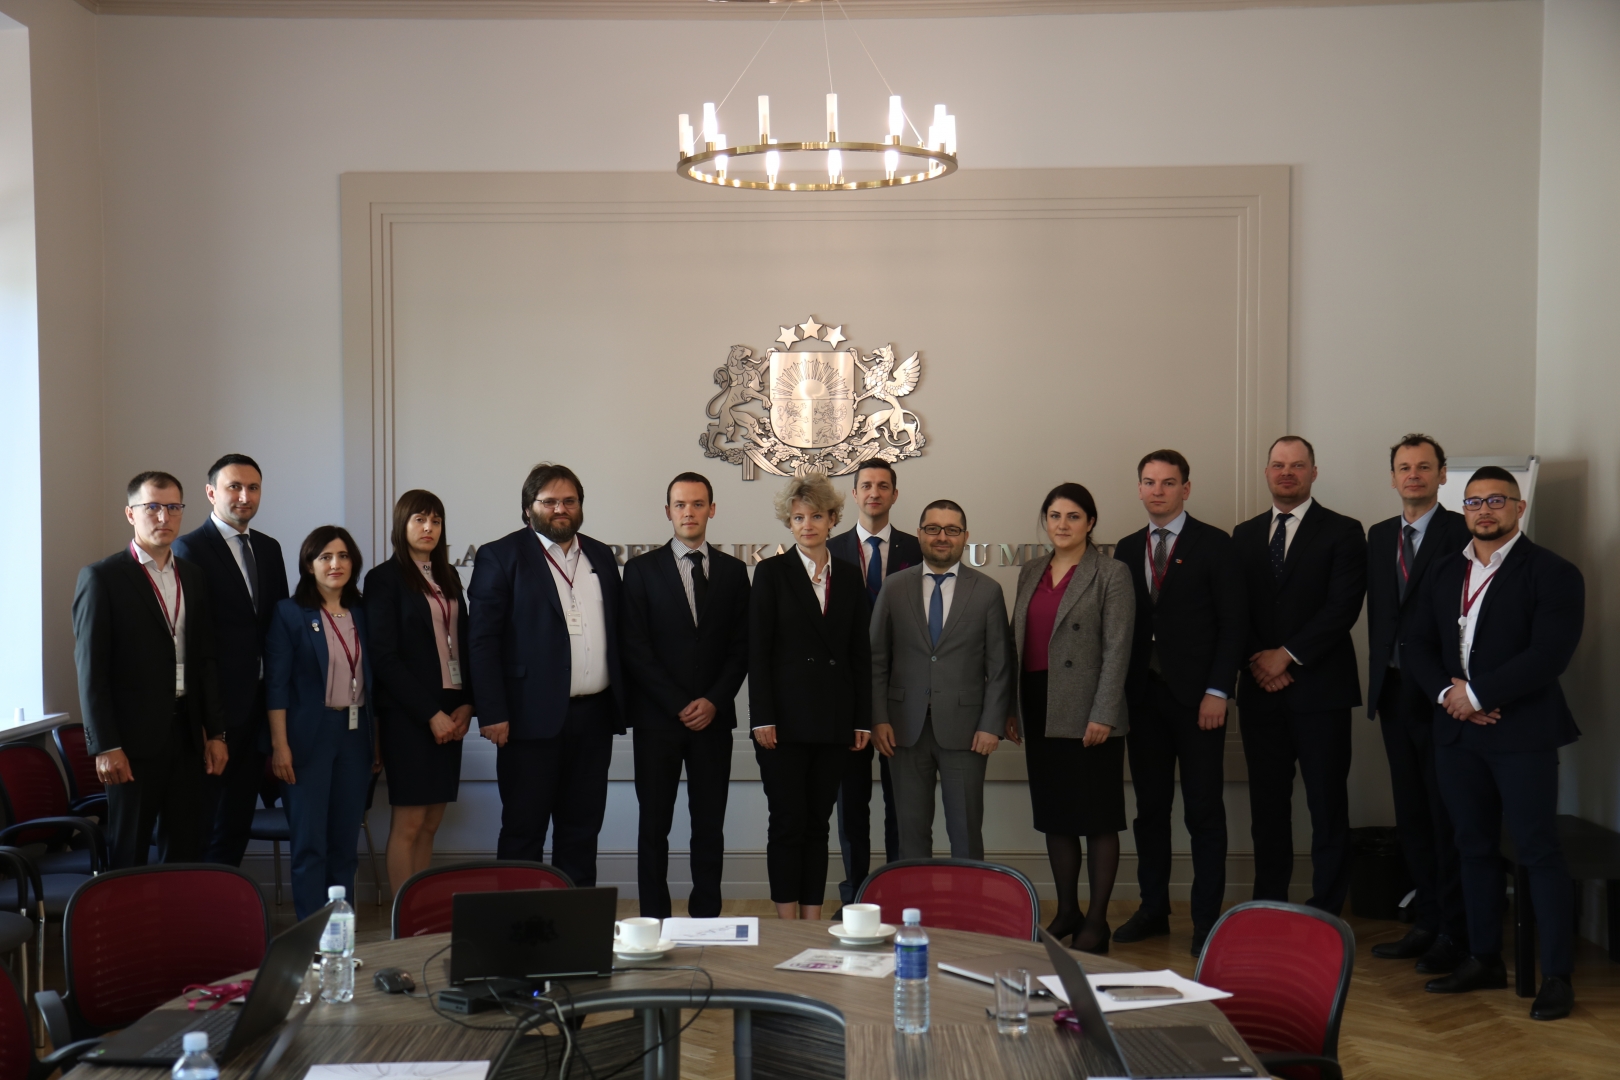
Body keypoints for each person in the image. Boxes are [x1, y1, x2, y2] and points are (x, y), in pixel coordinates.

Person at [1404, 467, 1583, 1021]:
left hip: (1522, 734)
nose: (1485, 510)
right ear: (1463, 510)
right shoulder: (1443, 570)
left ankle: (1557, 976)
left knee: (1537, 849)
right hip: (1457, 733)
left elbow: (1549, 654)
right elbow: (1415, 644)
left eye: (1496, 500)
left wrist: (1478, 694)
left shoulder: (1553, 572)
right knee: (1472, 846)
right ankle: (1484, 958)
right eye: (1474, 501)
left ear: (1519, 507)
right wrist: (1449, 696)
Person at [1111, 451, 1245, 957]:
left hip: (1199, 702)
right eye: (1149, 482)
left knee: (1204, 811)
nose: (1158, 491)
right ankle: (1153, 909)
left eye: (1168, 483)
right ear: (1139, 488)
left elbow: (1234, 623)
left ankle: (1207, 920)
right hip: (1143, 700)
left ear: (1186, 489)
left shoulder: (1216, 544)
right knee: (1150, 811)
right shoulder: (1127, 548)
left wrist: (1219, 691)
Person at [469, 463, 626, 887]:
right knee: (524, 831)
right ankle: (518, 925)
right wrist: (492, 712)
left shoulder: (599, 555)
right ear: (528, 508)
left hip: (593, 719)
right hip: (526, 720)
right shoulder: (501, 555)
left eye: (569, 501)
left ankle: (575, 922)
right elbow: (482, 641)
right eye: (550, 501)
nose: (560, 509)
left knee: (582, 832)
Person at [1232, 436, 1367, 914]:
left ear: (1313, 472)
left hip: (1321, 692)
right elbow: (1234, 608)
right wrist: (1259, 660)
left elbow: (1342, 607)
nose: (1286, 472)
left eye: (1297, 465)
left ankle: (1326, 909)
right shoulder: (1244, 534)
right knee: (1268, 809)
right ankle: (1269, 904)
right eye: (1278, 464)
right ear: (1267, 472)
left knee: (1327, 807)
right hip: (1261, 693)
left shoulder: (1344, 531)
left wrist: (1286, 656)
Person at [72, 471, 228, 868]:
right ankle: (128, 913)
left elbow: (205, 660)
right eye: (153, 507)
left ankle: (176, 911)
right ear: (131, 514)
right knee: (130, 850)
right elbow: (91, 671)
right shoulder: (102, 577)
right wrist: (106, 745)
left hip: (187, 733)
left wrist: (216, 732)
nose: (164, 517)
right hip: (131, 742)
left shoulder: (192, 576)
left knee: (185, 847)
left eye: (173, 507)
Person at [1006, 483, 1133, 953]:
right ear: (1045, 521)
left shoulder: (1111, 572)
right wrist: (1011, 708)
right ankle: (1067, 911)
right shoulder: (1031, 570)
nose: (1063, 525)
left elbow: (1118, 648)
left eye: (1074, 516)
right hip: (1039, 703)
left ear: (1091, 522)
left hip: (1089, 710)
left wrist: (1103, 713)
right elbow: (1016, 644)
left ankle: (1096, 922)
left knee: (1098, 818)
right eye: (1055, 516)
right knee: (1055, 815)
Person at [1363, 435, 1472, 974]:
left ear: (1442, 475)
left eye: (1424, 467)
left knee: (1445, 813)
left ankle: (1455, 931)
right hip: (1392, 691)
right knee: (1411, 813)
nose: (1413, 475)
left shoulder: (1462, 530)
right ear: (1392, 477)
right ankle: (1427, 921)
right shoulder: (1380, 535)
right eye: (1404, 467)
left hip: (1442, 693)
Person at [623, 472, 750, 918]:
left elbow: (741, 647)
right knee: (653, 826)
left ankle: (706, 917)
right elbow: (634, 647)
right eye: (680, 504)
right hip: (658, 721)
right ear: (668, 511)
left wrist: (713, 700)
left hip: (713, 721)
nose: (689, 512)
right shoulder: (640, 570)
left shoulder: (734, 572)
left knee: (709, 826)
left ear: (711, 509)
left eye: (698, 504)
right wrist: (678, 704)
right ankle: (654, 917)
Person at [750, 473, 872, 920]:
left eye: (816, 516)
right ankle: (787, 925)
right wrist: (761, 717)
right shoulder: (771, 573)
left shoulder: (850, 577)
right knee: (788, 823)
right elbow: (758, 651)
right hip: (782, 723)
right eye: (798, 517)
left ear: (833, 519)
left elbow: (859, 654)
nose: (807, 525)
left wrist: (861, 719)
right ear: (789, 522)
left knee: (819, 825)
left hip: (834, 721)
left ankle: (811, 920)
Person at [869, 500, 1011, 861]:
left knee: (966, 831)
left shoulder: (987, 591)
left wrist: (991, 725)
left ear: (965, 536)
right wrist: (879, 718)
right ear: (920, 534)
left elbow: (999, 666)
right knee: (911, 834)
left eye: (951, 530)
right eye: (933, 529)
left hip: (967, 732)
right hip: (903, 729)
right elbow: (876, 659)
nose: (942, 537)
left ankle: (967, 901)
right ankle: (917, 900)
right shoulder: (894, 587)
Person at [172, 453, 289, 867]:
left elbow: (278, 628)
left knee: (237, 818)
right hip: (215, 713)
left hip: (259, 707)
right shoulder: (189, 549)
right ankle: (199, 902)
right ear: (211, 493)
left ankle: (225, 897)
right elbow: (188, 640)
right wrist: (206, 720)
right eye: (234, 487)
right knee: (206, 820)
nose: (244, 496)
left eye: (253, 488)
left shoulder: (269, 549)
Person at [265, 526, 379, 920]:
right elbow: (276, 686)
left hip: (356, 736)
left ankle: (339, 931)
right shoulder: (290, 613)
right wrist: (280, 746)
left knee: (344, 843)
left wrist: (377, 742)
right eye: (325, 557)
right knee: (310, 842)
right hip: (307, 740)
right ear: (309, 565)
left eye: (343, 556)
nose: (335, 564)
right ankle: (311, 934)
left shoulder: (364, 612)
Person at [365, 490, 474, 897]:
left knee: (431, 823)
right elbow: (384, 657)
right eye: (419, 519)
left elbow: (464, 642)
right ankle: (403, 916)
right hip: (411, 715)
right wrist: (431, 714)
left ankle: (420, 908)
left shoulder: (448, 576)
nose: (429, 528)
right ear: (402, 525)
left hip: (451, 708)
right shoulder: (383, 579)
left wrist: (468, 703)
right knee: (409, 823)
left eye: (436, 521)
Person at [827, 460, 922, 903]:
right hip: (846, 696)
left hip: (902, 694)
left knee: (901, 806)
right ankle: (856, 898)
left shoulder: (916, 550)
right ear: (854, 494)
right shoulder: (829, 549)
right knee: (852, 806)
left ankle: (897, 896)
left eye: (883, 486)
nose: (874, 493)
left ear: (894, 495)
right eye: (866, 485)